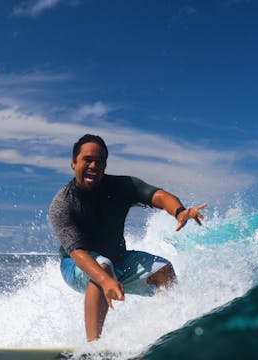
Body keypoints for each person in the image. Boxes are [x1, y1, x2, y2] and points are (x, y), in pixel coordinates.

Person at [49, 134, 206, 341]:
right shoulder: (63, 204)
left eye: (100, 161)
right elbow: (78, 253)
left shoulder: (122, 187)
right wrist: (105, 279)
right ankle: (93, 348)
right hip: (75, 265)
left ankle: (167, 331)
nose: (94, 165)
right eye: (88, 159)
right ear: (74, 162)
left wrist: (179, 211)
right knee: (101, 269)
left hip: (119, 259)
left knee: (163, 270)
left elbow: (158, 196)